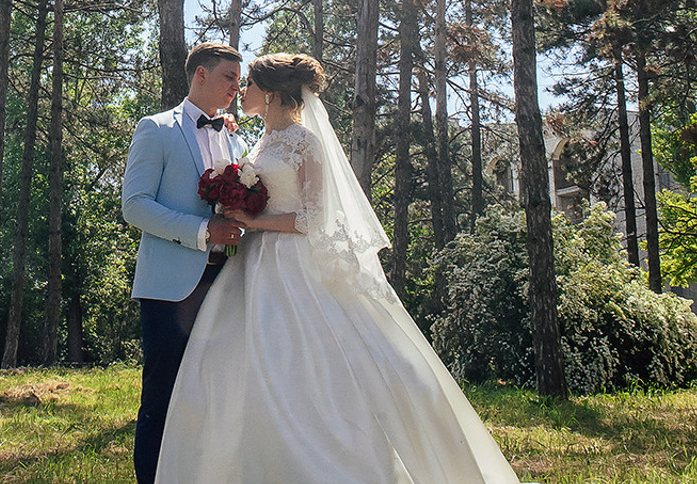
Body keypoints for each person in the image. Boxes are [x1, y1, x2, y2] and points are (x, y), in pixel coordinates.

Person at [155, 52, 523, 484]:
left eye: (248, 84)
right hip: (251, 265)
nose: (241, 92)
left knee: (300, 365)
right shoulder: (259, 141)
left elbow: (314, 219)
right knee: (235, 365)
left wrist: (253, 221)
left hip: (292, 265)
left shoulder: (305, 143)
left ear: (270, 93)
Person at [121, 40, 247, 484]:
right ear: (201, 75)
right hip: (172, 288)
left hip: (229, 283)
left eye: (238, 78)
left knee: (216, 396)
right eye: (230, 77)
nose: (237, 86)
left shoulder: (234, 135)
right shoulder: (155, 129)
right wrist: (201, 233)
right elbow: (134, 205)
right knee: (162, 397)